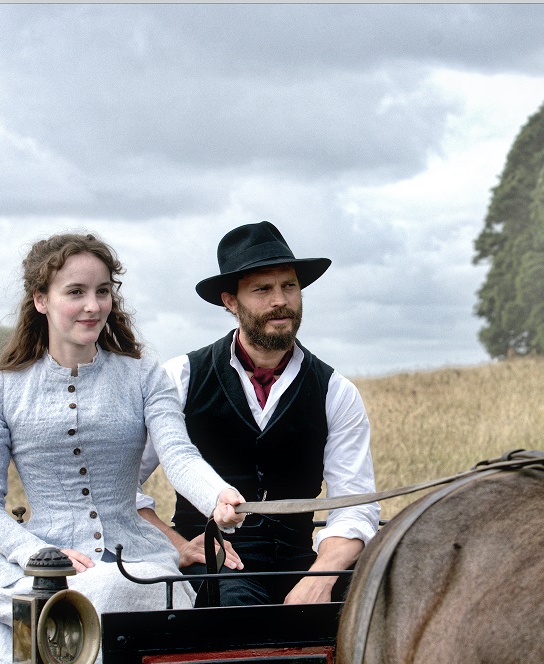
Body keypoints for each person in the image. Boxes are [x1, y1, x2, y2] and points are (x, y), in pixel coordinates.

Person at [0, 232, 244, 664]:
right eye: (76, 292)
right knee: (42, 647)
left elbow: (179, 455)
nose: (92, 305)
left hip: (137, 566)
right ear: (41, 300)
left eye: (103, 291)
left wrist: (217, 498)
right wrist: (34, 552)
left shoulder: (144, 376)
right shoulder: (1, 391)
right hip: (35, 575)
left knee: (110, 589)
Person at [137, 220, 380, 606]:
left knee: (377, 607)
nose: (280, 300)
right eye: (262, 289)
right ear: (230, 302)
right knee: (238, 611)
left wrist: (319, 579)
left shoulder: (336, 392)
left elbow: (355, 504)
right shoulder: (179, 378)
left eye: (289, 286)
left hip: (302, 563)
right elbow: (121, 487)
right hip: (214, 566)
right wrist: (178, 546)